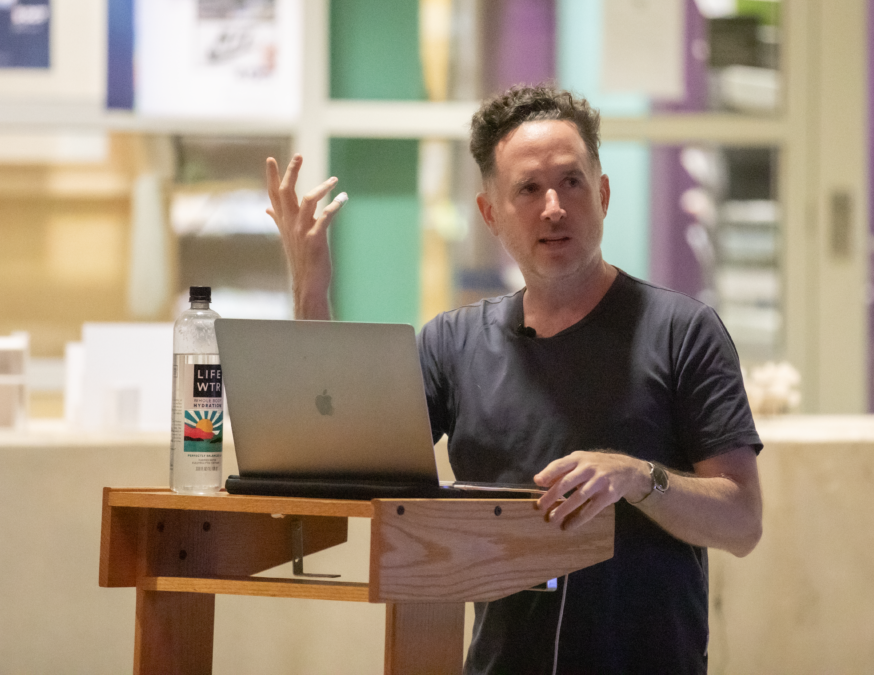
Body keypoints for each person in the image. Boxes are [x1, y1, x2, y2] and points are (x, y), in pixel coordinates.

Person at [266, 84, 763, 675]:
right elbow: (341, 466)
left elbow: (742, 521)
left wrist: (639, 477)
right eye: (528, 189)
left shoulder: (683, 331)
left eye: (572, 183)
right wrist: (310, 289)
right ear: (490, 214)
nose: (553, 207)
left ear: (602, 195)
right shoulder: (453, 344)